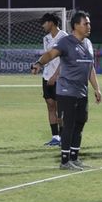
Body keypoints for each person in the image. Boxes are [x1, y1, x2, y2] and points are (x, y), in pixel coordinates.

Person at [34, 10, 102, 171]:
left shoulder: (88, 44)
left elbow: (90, 68)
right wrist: (38, 63)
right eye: (86, 23)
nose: (89, 26)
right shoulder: (66, 42)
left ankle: (74, 158)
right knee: (68, 125)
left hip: (82, 92)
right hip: (66, 92)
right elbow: (50, 54)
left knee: (80, 124)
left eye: (89, 23)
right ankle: (64, 161)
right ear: (76, 26)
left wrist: (97, 88)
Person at [31, 13, 67, 147]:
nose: (43, 25)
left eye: (44, 23)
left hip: (59, 78)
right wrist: (38, 66)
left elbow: (64, 60)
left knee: (60, 108)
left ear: (51, 22)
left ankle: (64, 137)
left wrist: (55, 76)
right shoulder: (45, 38)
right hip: (46, 76)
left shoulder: (64, 37)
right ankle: (55, 137)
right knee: (50, 106)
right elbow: (47, 56)